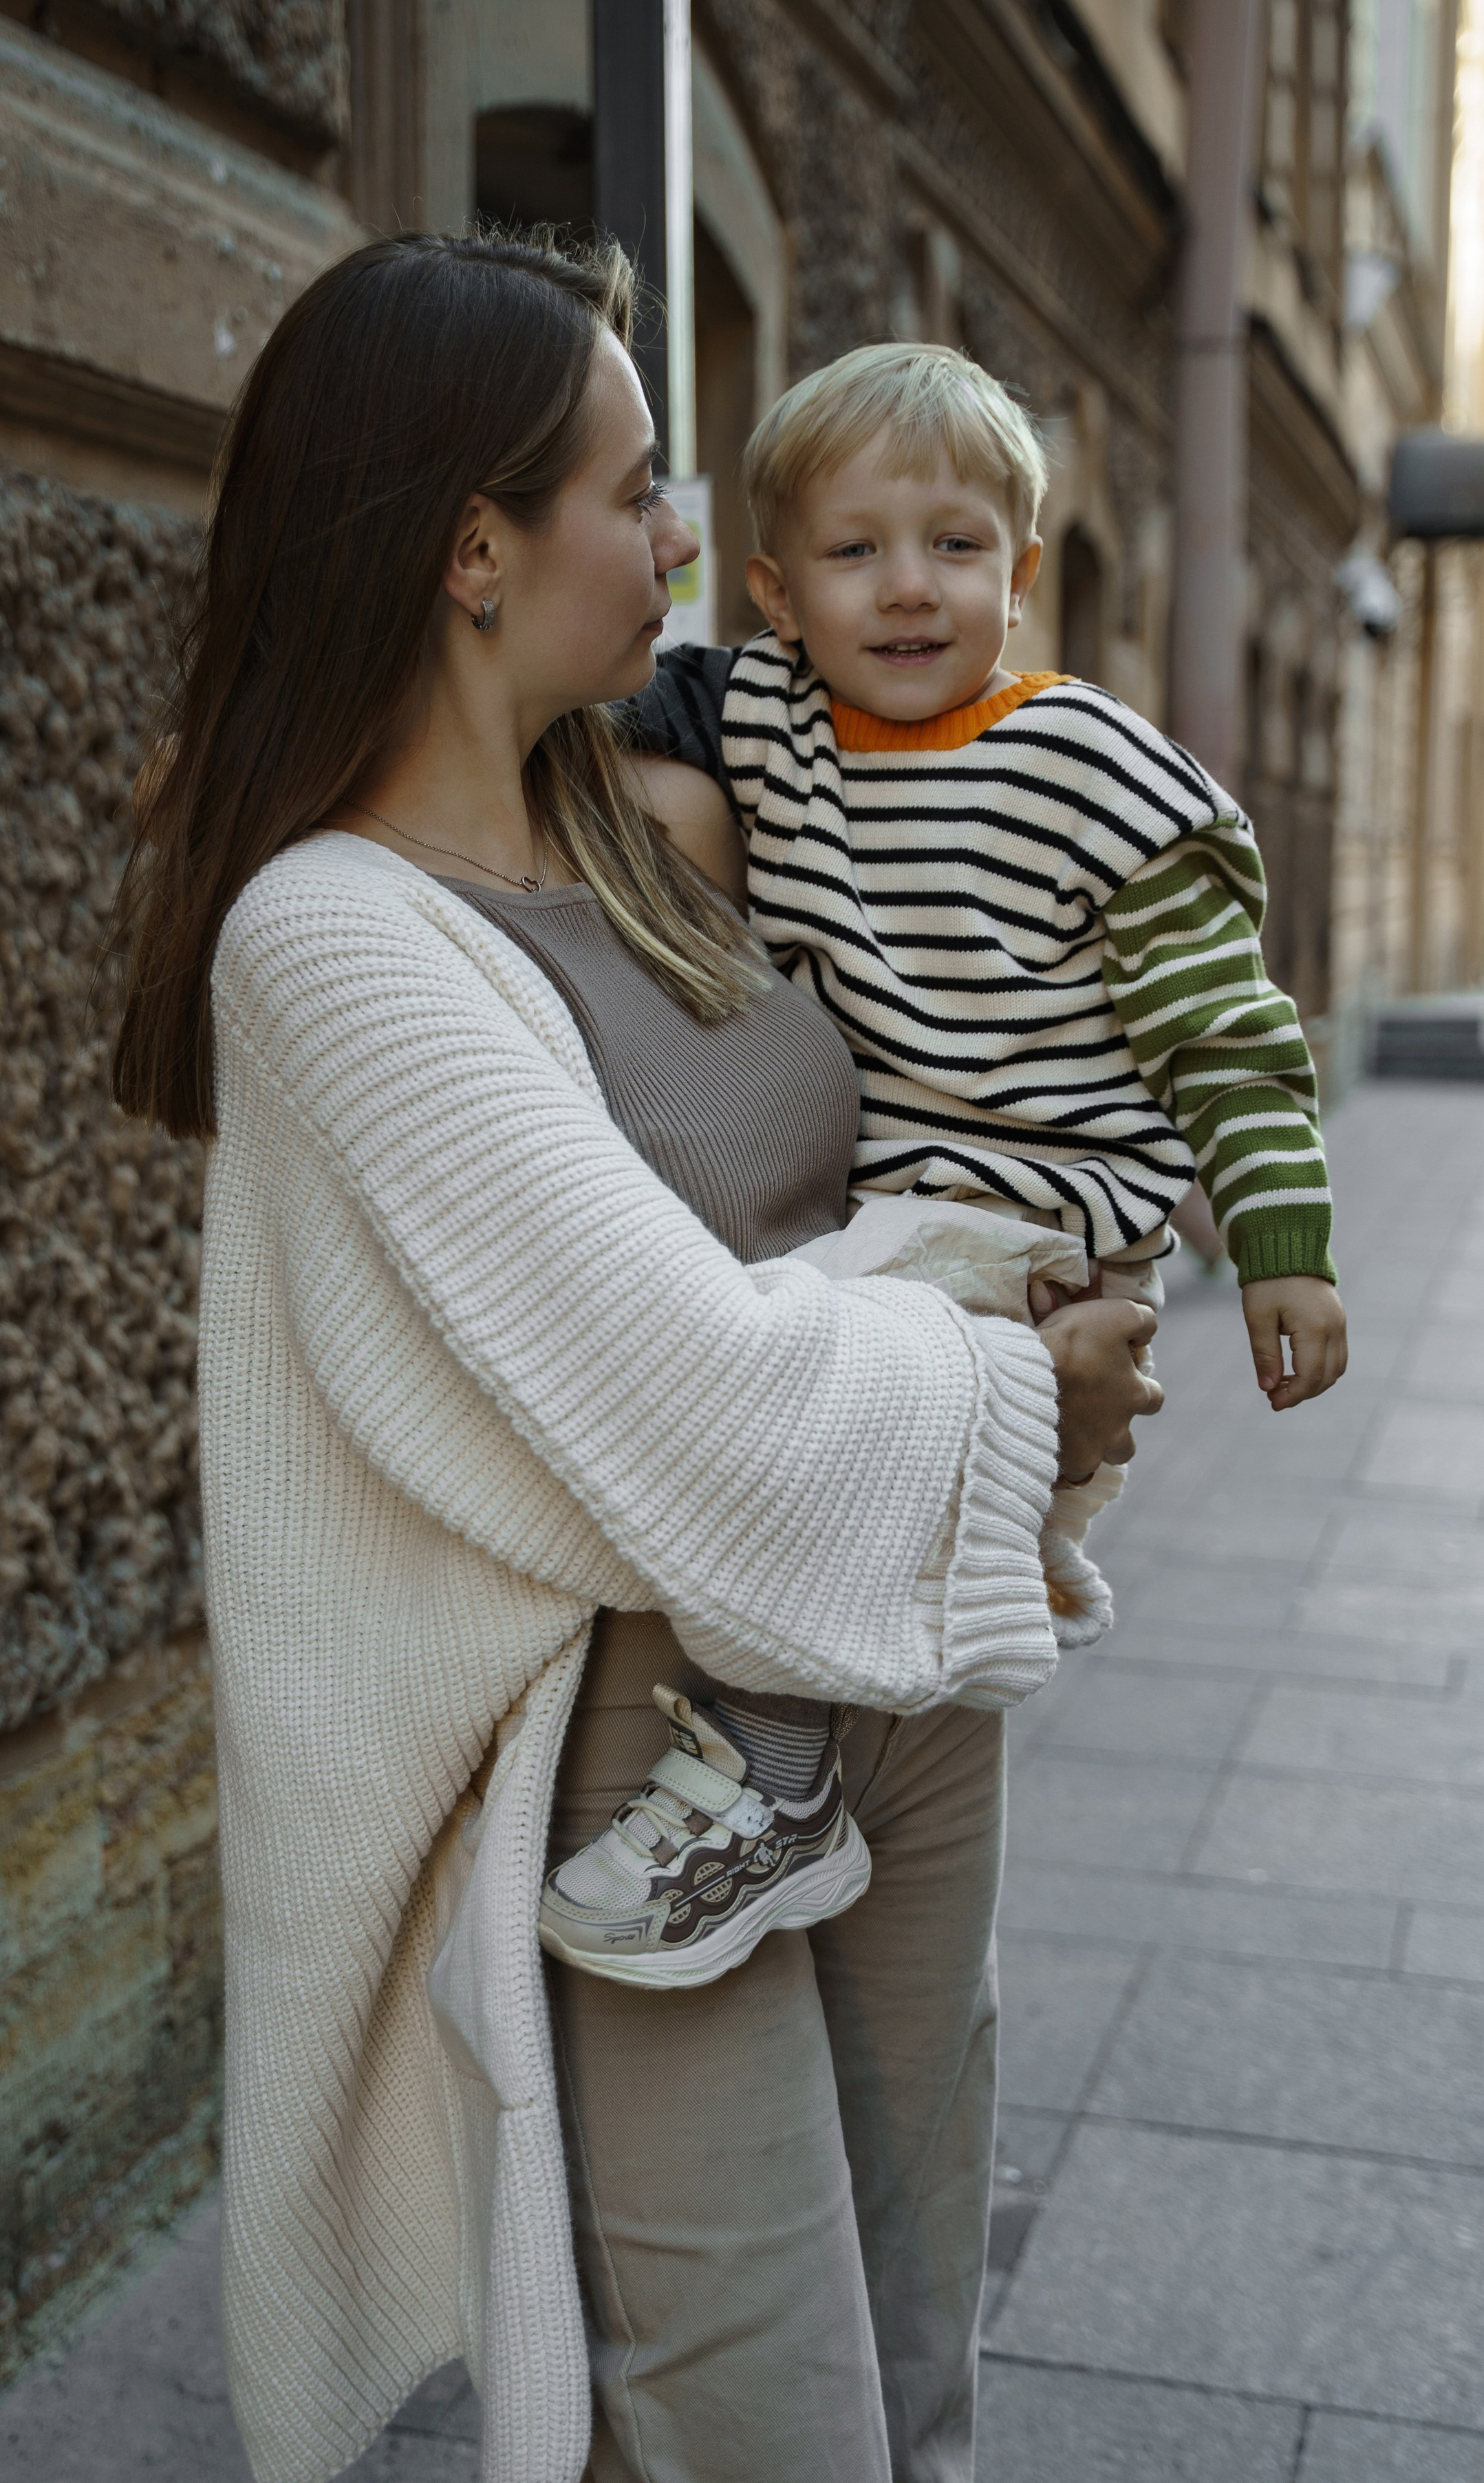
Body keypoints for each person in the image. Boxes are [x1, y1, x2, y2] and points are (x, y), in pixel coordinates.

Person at [110, 230, 1161, 2483]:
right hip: (644, 1758)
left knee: (919, 2367)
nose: (686, 535)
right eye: (636, 483)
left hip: (890, 1669)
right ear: (474, 548)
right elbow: (690, 1393)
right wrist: (1016, 1385)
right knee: (761, 2429)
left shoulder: (651, 821)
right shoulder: (336, 939)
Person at [554, 338, 1346, 1997]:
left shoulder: (1095, 775)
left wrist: (1278, 1239)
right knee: (793, 1407)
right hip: (900, 1211)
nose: (908, 589)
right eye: (853, 553)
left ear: (1023, 569)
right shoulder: (775, 717)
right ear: (775, 589)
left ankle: (770, 1780)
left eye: (955, 546)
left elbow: (1226, 1027)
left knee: (768, 1427)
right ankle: (882, 1663)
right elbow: (607, 697)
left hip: (1033, 1215)